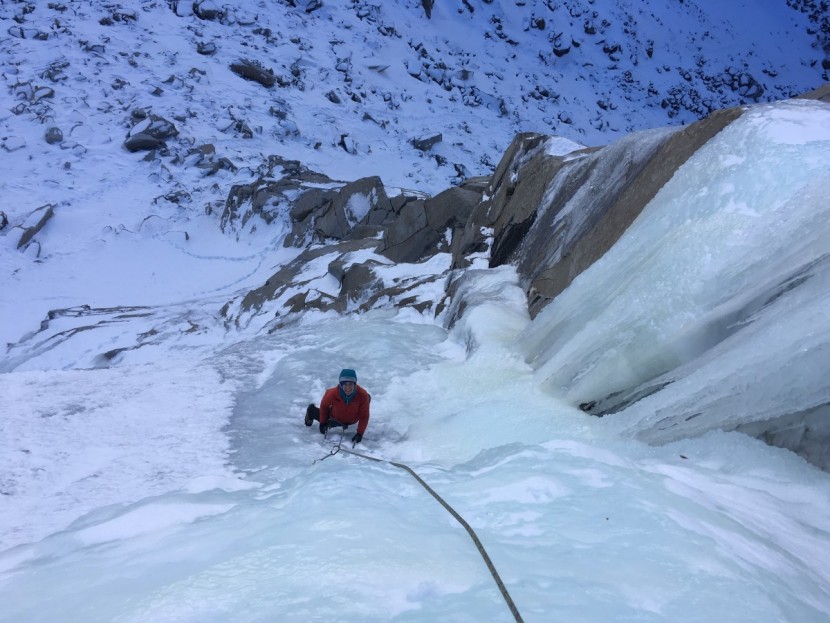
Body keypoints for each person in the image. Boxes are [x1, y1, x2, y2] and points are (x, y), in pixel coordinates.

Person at [304, 368, 370, 444]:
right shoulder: (331, 393)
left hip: (353, 418)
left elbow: (364, 416)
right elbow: (324, 407)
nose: (348, 388)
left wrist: (360, 433)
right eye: (345, 384)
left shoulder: (362, 395)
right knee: (327, 419)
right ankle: (311, 411)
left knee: (367, 398)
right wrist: (322, 423)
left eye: (350, 384)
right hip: (336, 418)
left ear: (355, 384)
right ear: (341, 385)